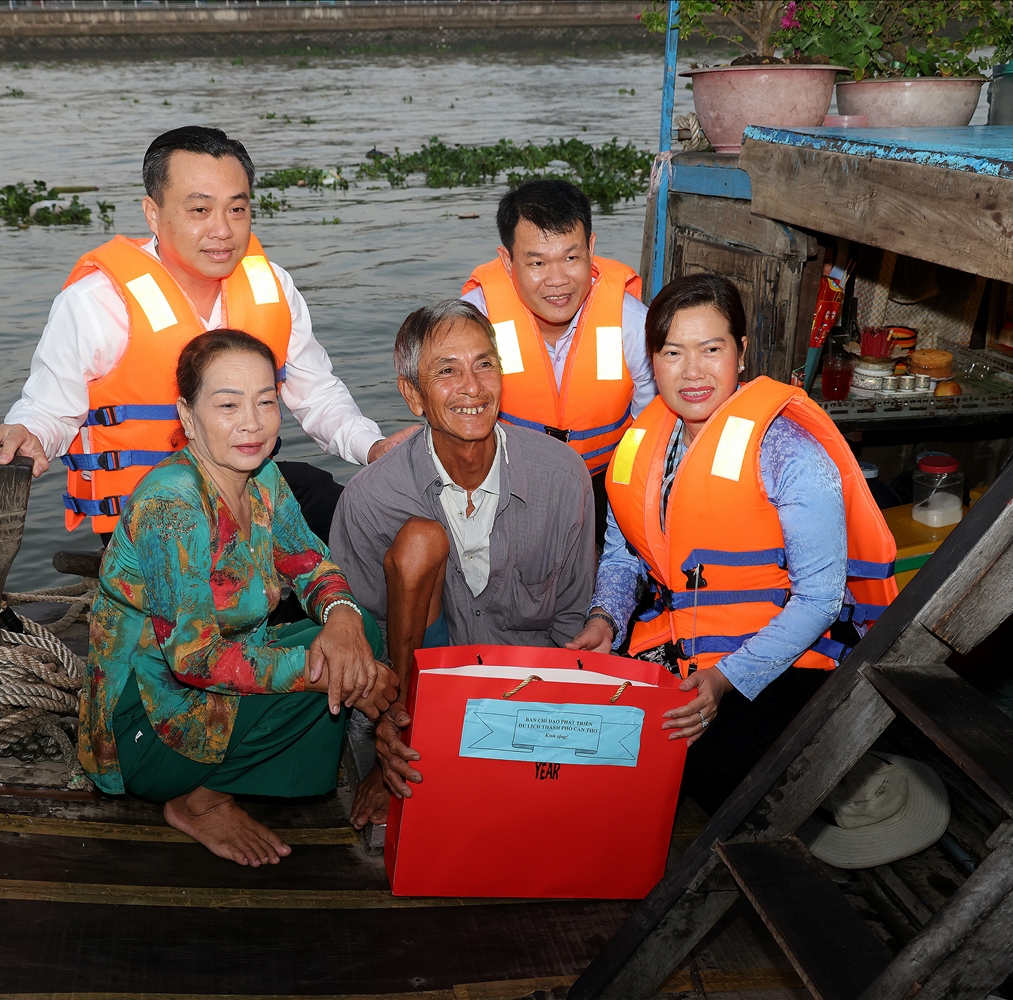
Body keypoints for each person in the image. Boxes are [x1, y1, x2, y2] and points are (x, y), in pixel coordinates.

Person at [0, 125, 416, 542]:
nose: (222, 230)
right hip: (148, 516)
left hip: (249, 493)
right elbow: (49, 409)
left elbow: (316, 394)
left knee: (367, 520)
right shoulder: (95, 302)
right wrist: (26, 432)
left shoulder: (271, 285)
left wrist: (372, 446)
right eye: (200, 209)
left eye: (237, 209)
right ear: (153, 212)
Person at [568, 274, 899, 814]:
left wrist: (725, 681)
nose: (692, 372)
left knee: (705, 761)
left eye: (711, 349)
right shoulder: (642, 442)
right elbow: (624, 551)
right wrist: (606, 618)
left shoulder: (792, 454)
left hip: (783, 659)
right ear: (652, 359)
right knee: (599, 745)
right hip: (675, 649)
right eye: (672, 352)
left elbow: (820, 598)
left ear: (740, 353)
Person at [78, 330, 398, 866]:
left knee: (358, 632)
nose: (252, 422)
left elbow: (311, 565)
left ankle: (239, 769)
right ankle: (196, 801)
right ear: (187, 415)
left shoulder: (264, 478)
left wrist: (342, 621)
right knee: (328, 670)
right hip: (148, 721)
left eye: (266, 401)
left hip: (210, 684)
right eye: (227, 404)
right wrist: (327, 673)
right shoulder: (172, 506)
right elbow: (193, 659)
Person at [328, 299, 597, 828]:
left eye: (484, 364)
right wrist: (391, 725)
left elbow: (570, 624)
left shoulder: (563, 477)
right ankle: (401, 752)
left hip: (526, 691)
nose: (472, 387)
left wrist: (531, 728)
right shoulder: (370, 498)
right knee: (419, 542)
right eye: (446, 371)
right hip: (415, 695)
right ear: (413, 395)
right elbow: (362, 641)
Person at [461, 179, 655, 543]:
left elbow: (652, 433)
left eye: (571, 258)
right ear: (507, 261)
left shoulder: (633, 325)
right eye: (537, 262)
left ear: (591, 249)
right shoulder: (473, 323)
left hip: (603, 488)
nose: (557, 280)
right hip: (502, 490)